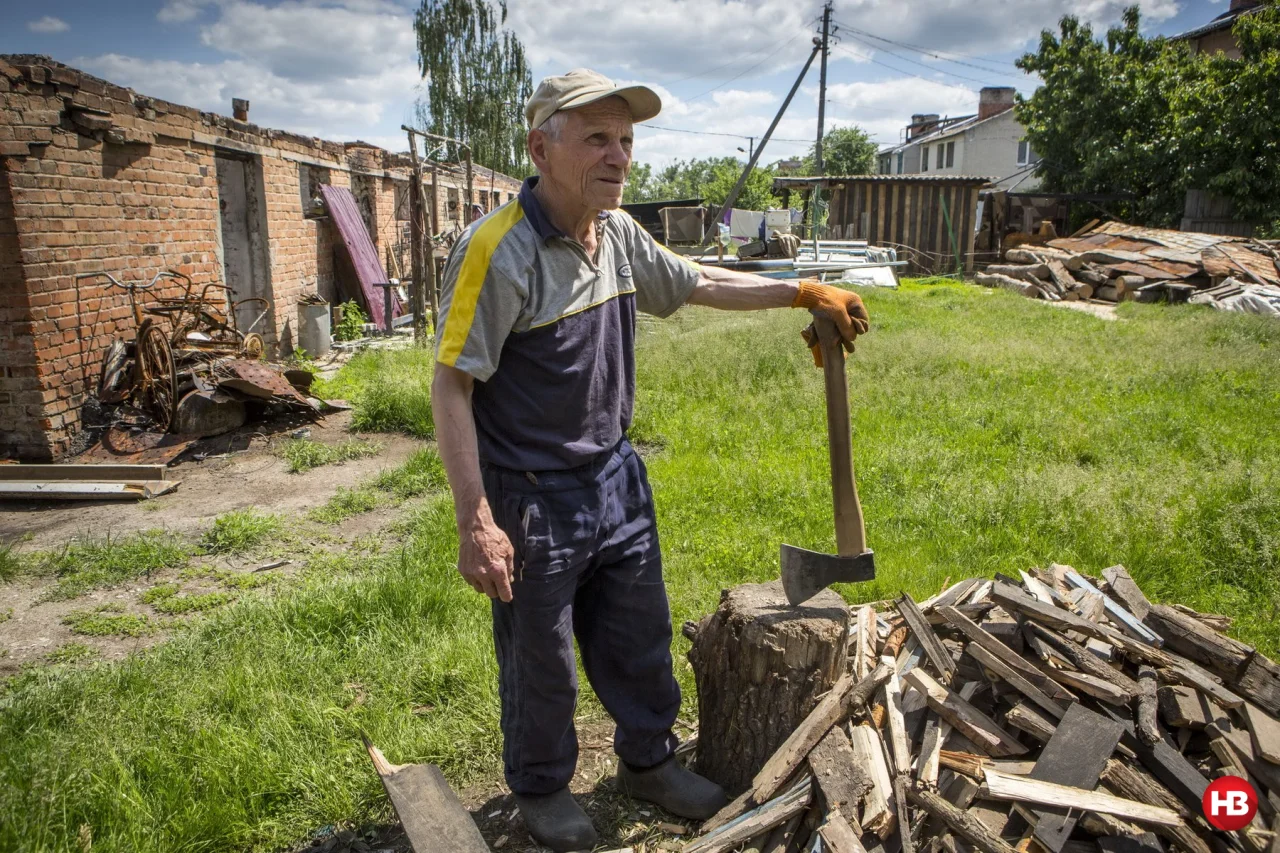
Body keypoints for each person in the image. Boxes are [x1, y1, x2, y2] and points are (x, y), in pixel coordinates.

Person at [431, 68, 870, 852]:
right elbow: (452, 385)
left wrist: (802, 292)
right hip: (532, 493)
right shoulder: (498, 251)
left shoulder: (620, 234)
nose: (619, 156)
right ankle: (541, 785)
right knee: (544, 658)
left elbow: (698, 280)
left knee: (640, 632)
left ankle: (649, 761)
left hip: (614, 478)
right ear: (541, 147)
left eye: (627, 140)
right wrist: (476, 521)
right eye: (597, 138)